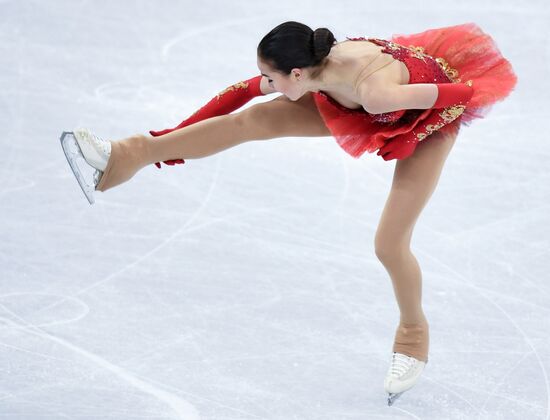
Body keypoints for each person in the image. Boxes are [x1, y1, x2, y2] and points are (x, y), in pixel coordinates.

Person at [68, 21, 517, 404]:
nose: (264, 81)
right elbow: (240, 96)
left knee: (389, 243)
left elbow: (464, 93)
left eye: (272, 76)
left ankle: (413, 335)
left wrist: (430, 112)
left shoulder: (376, 91)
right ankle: (127, 155)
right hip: (356, 100)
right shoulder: (310, 68)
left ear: (297, 73)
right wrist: (166, 143)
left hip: (426, 120)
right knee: (255, 119)